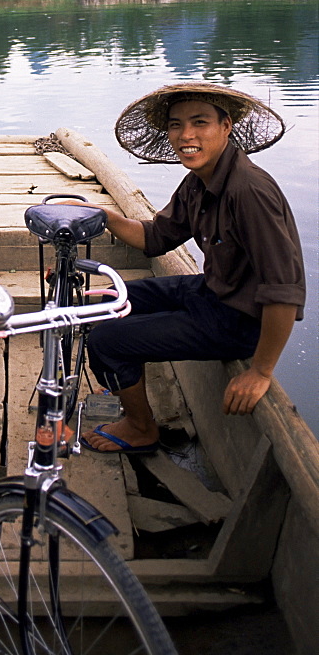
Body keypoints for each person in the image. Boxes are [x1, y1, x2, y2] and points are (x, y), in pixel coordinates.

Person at [80, 82, 305, 455]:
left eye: (200, 122)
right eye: (176, 125)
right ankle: (122, 381)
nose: (186, 135)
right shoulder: (198, 182)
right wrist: (103, 216)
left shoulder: (248, 191)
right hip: (209, 292)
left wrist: (261, 371)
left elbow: (285, 290)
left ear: (226, 126)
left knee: (107, 341)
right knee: (104, 298)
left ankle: (141, 427)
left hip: (237, 322)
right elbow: (156, 238)